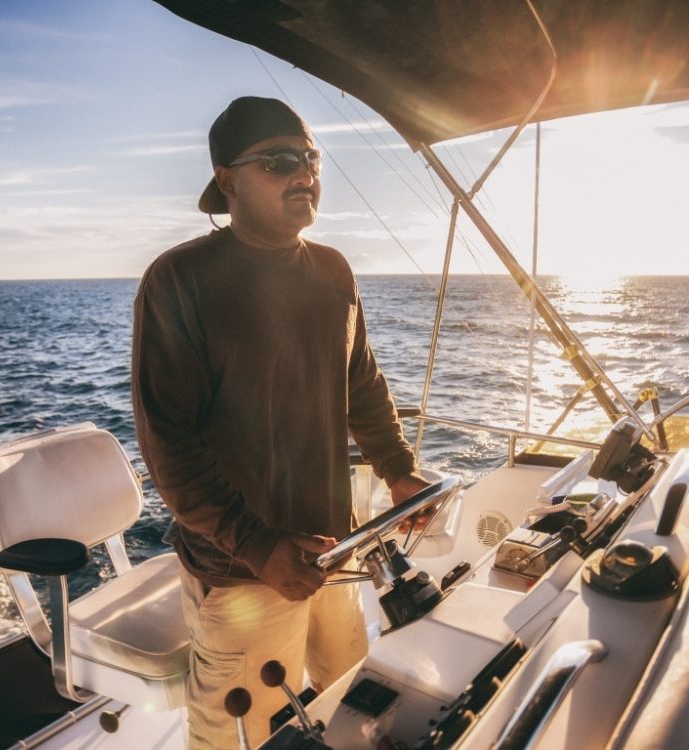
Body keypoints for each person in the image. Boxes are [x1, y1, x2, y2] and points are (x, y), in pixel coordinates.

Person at [131, 96, 428, 748]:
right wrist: (258, 547)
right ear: (229, 178)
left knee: (353, 707)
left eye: (311, 159)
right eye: (280, 160)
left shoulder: (332, 271)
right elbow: (167, 444)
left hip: (335, 552)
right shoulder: (179, 281)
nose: (305, 174)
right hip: (243, 574)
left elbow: (361, 385)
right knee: (243, 737)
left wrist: (400, 473)